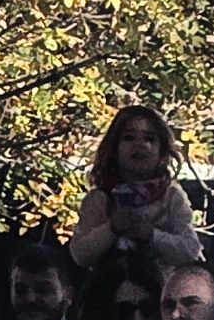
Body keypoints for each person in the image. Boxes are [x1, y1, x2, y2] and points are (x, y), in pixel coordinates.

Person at [67, 102, 201, 281]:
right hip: (108, 294)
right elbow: (80, 254)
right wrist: (112, 229)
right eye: (129, 137)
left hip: (159, 294)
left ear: (162, 152)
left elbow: (190, 251)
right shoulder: (100, 198)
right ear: (115, 149)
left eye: (150, 139)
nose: (140, 145)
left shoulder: (171, 197)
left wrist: (152, 235)